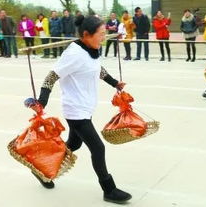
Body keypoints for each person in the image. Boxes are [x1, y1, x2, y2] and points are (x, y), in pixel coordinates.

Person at [26, 15, 132, 204]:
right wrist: (42, 101)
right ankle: (109, 189)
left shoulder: (91, 50)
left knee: (73, 145)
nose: (103, 37)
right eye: (101, 34)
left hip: (85, 107)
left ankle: (42, 171)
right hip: (76, 111)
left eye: (104, 33)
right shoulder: (74, 54)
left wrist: (115, 83)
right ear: (86, 34)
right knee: (98, 148)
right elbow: (51, 76)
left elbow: (97, 69)